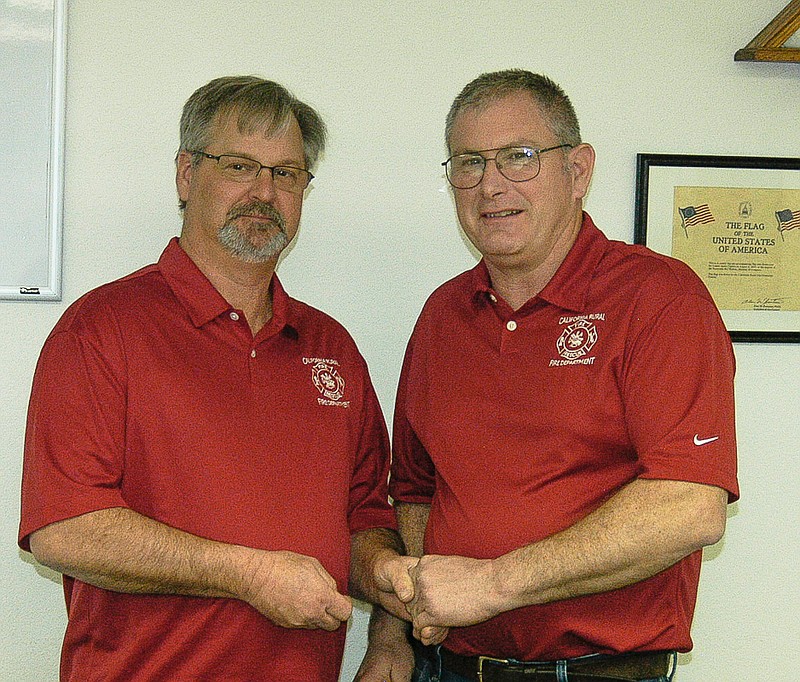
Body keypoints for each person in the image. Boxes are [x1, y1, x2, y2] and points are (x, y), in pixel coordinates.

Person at [19, 76, 416, 682]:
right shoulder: (101, 330)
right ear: (185, 174)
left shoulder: (330, 348)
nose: (265, 191)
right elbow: (65, 530)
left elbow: (366, 518)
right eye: (240, 166)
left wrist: (390, 608)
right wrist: (249, 575)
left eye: (287, 174)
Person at [388, 69, 739, 682]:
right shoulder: (443, 315)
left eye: (519, 158)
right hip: (451, 667)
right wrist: (420, 608)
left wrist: (493, 585)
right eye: (468, 163)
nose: (490, 184)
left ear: (578, 171)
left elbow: (689, 506)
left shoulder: (656, 298)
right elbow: (417, 490)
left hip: (600, 671)